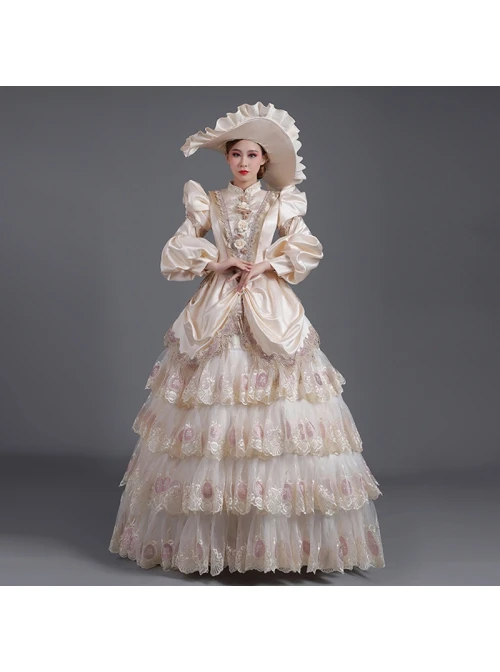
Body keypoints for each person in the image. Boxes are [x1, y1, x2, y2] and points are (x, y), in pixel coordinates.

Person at [108, 101, 385, 575]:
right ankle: (217, 540)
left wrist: (267, 264)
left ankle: (275, 544)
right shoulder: (208, 201)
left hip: (270, 309)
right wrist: (217, 262)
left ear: (263, 161)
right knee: (212, 414)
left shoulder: (281, 202)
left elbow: (306, 247)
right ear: (227, 158)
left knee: (278, 416)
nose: (243, 161)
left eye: (252, 155)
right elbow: (175, 251)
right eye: (236, 153)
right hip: (216, 308)